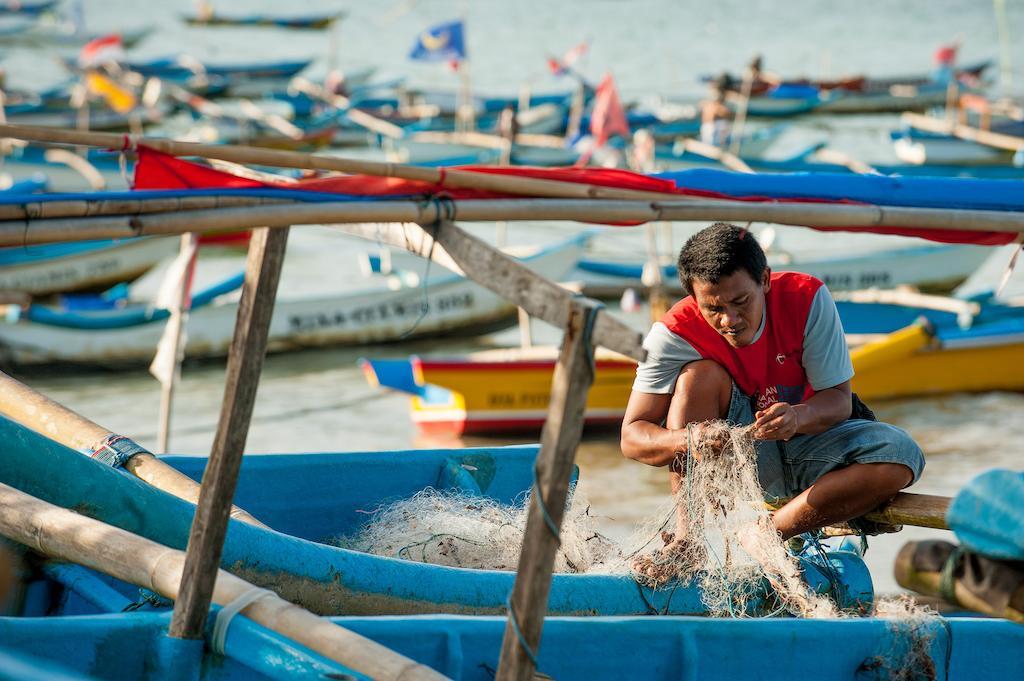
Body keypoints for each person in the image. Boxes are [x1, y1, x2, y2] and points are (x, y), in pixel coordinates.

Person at [620, 222, 925, 558]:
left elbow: (838, 401)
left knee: (902, 454)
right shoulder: (672, 334)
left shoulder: (807, 299)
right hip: (737, 463)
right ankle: (688, 539)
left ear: (764, 280)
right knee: (699, 377)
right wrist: (691, 439)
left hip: (811, 445)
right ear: (693, 299)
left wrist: (798, 415)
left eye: (740, 302)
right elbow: (633, 436)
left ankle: (769, 532)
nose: (730, 320)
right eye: (714, 310)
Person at [699, 74, 734, 148]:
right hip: (714, 131)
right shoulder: (715, 107)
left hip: (708, 129)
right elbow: (725, 113)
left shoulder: (707, 104)